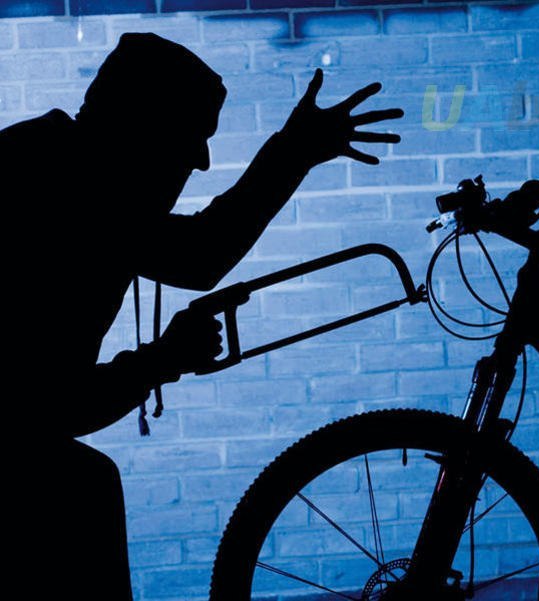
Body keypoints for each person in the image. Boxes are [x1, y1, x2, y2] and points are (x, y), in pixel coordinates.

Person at [2, 32, 402, 599]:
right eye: (192, 137)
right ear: (141, 131)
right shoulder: (65, 190)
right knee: (80, 488)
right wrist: (161, 360)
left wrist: (294, 151)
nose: (202, 160)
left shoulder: (59, 169)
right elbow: (49, 405)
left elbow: (199, 255)